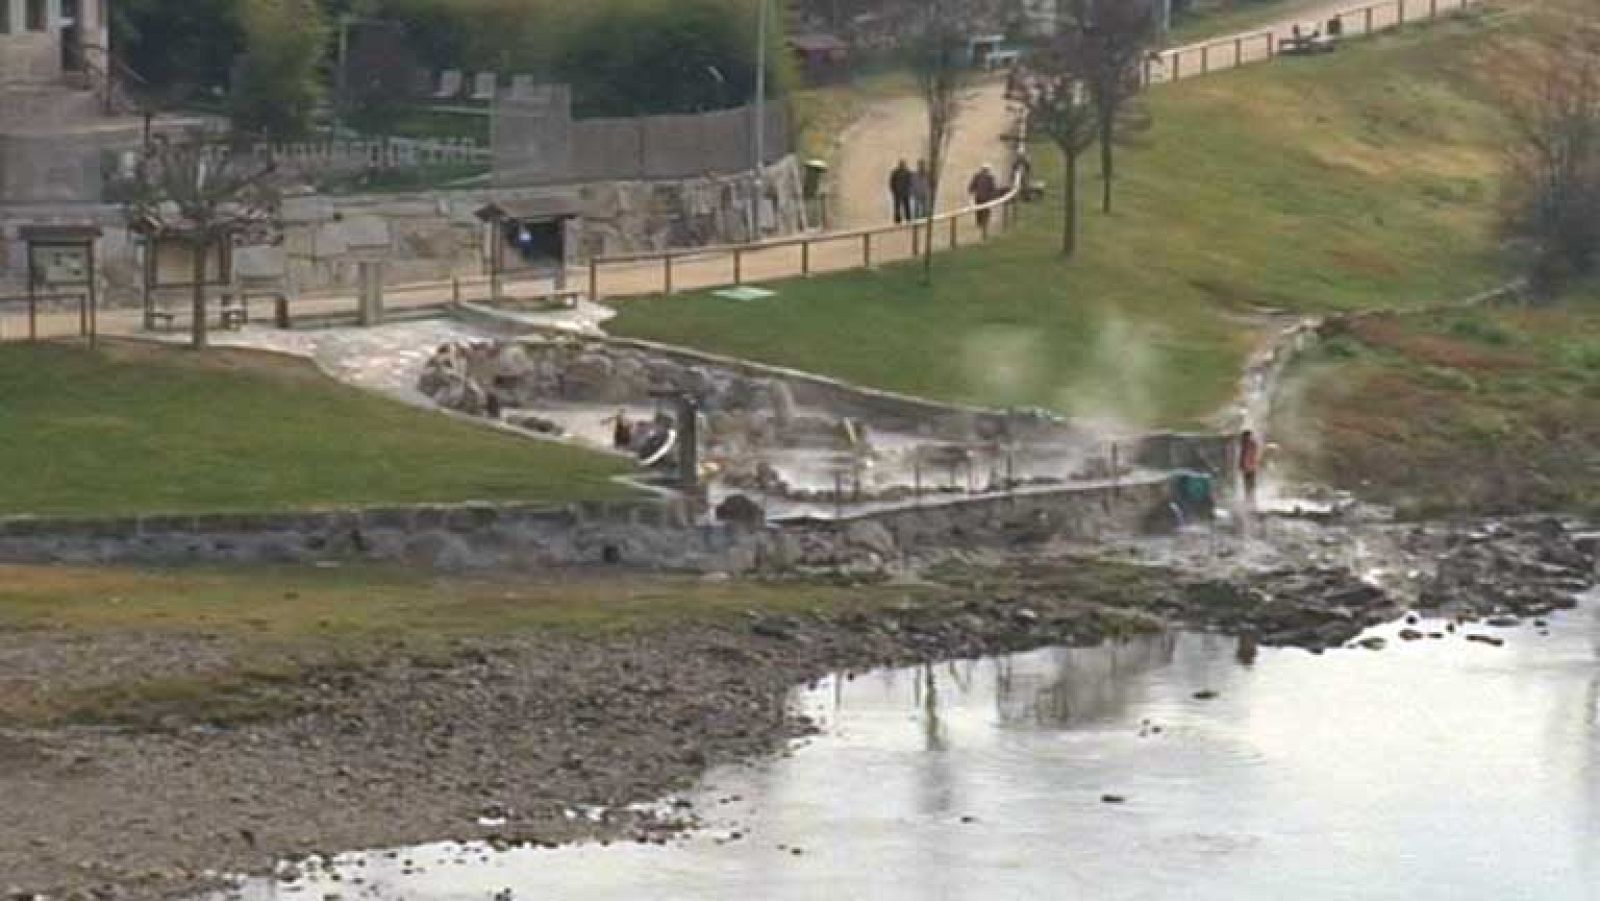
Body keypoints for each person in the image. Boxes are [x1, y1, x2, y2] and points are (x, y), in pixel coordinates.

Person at [969, 163, 1000, 231]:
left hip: (981, 197)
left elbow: (972, 186)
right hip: (984, 197)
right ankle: (983, 223)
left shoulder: (979, 176)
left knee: (980, 210)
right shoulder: (988, 177)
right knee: (983, 210)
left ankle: (981, 223)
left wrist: (971, 191)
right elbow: (993, 188)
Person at [1239, 428, 1262, 510]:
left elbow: (1246, 456)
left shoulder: (1248, 444)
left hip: (1249, 468)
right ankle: (1250, 502)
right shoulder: (1251, 444)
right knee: (1249, 486)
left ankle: (1250, 503)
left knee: (1249, 486)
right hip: (1251, 468)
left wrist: (1243, 466)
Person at [889, 160, 914, 224]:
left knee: (907, 206)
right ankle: (897, 220)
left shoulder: (908, 172)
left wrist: (910, 191)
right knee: (897, 207)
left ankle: (908, 219)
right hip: (898, 193)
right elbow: (892, 182)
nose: (902, 166)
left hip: (905, 193)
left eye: (903, 164)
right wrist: (894, 191)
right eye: (901, 164)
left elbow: (911, 183)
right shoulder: (895, 172)